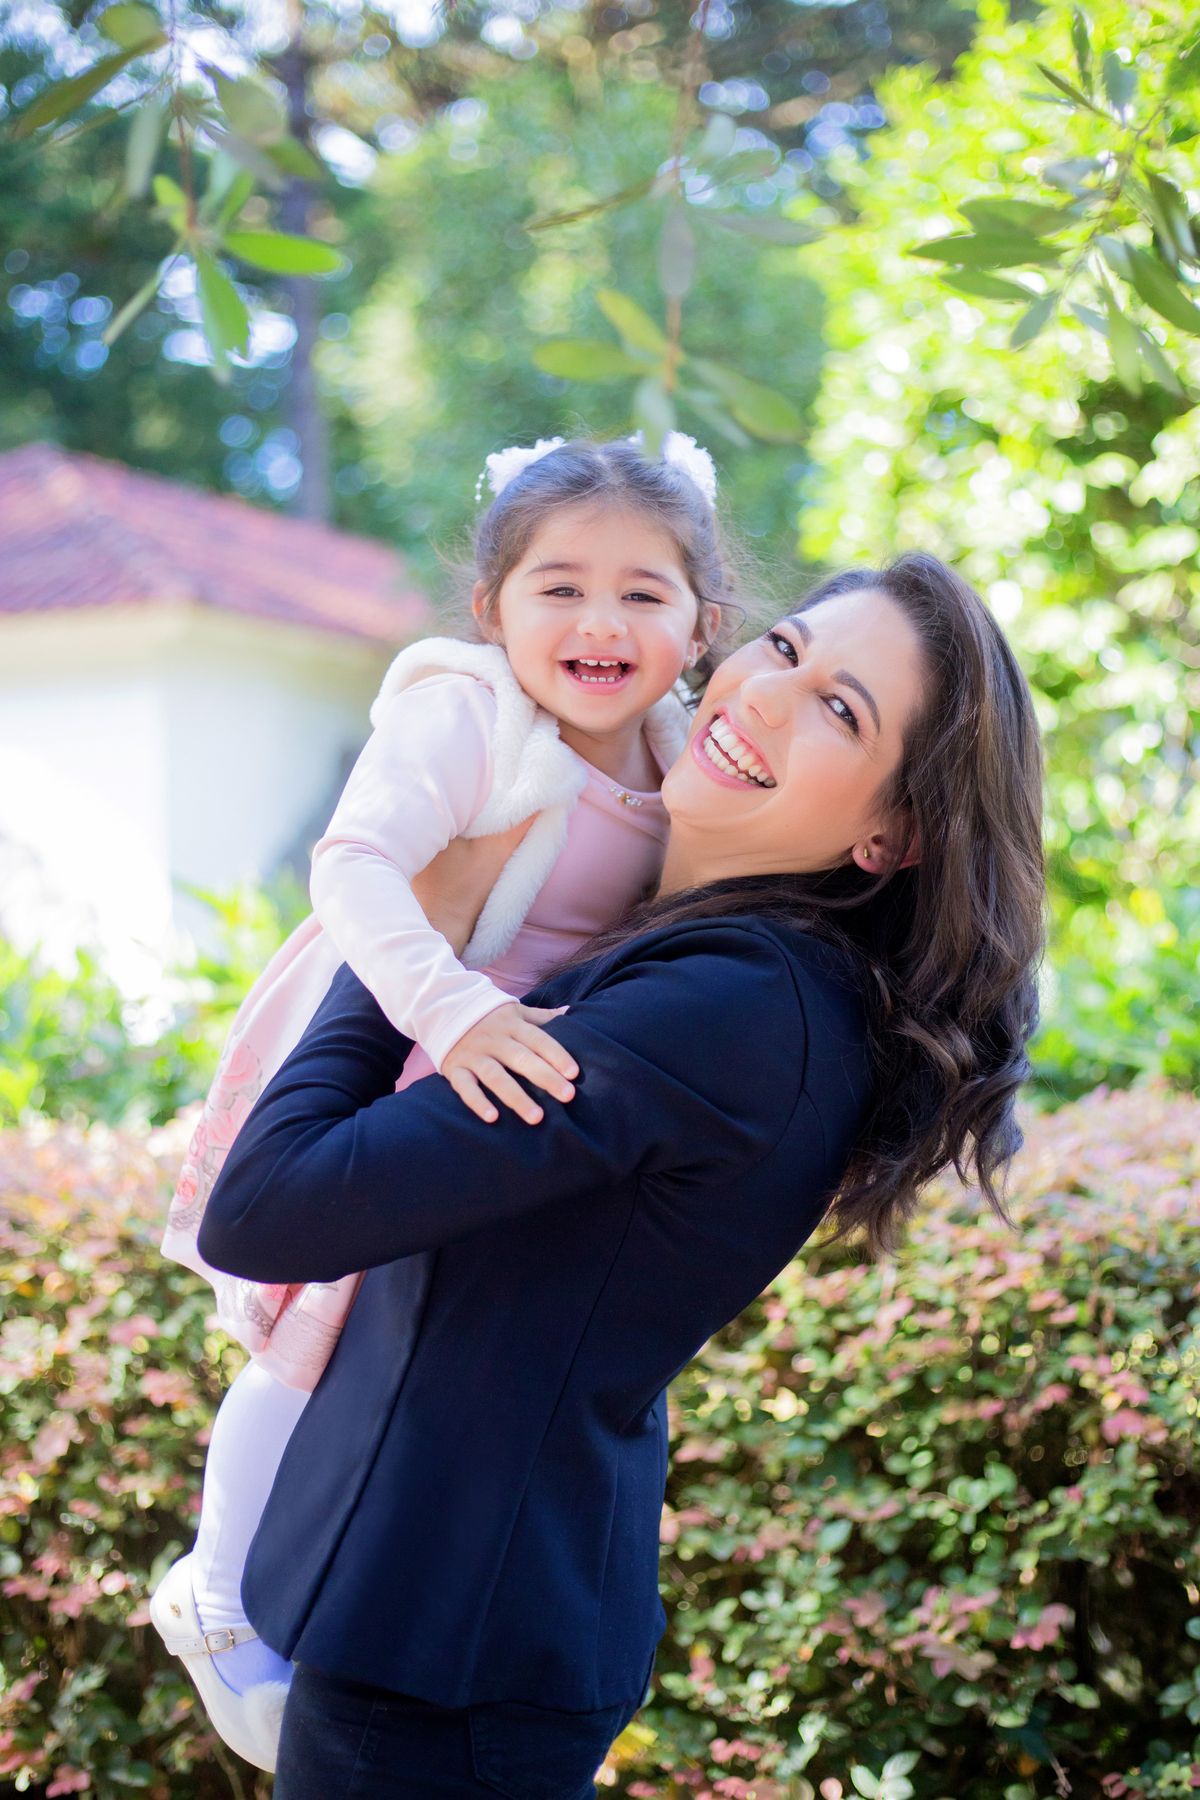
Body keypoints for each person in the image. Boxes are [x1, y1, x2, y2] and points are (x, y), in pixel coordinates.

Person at [197, 550, 1045, 1799]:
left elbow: (271, 1206)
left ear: (892, 834)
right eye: (787, 648)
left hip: (451, 1669)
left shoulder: (732, 1009)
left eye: (840, 709)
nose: (766, 693)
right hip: (432, 1620)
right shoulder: (697, 952)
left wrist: (421, 935)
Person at [149, 434, 734, 1767]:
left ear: (703, 625)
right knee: (310, 1331)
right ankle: (219, 1590)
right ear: (491, 610)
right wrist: (452, 1007)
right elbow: (354, 866)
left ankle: (305, 1588)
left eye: (644, 593)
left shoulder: (682, 756)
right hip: (412, 1021)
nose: (601, 623)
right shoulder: (468, 715)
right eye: (559, 588)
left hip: (512, 1074)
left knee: (407, 1351)